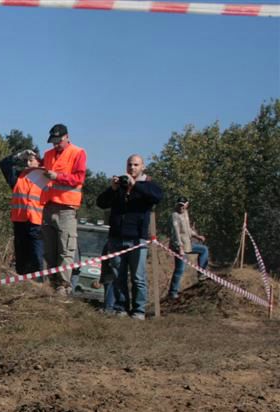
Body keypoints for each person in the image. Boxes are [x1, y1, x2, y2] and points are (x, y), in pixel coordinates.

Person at [96, 155, 162, 320]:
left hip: (136, 239)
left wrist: (136, 186)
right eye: (129, 165)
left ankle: (139, 310)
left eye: (136, 165)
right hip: (117, 237)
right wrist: (112, 188)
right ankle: (121, 307)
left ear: (142, 167)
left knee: (138, 276)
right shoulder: (120, 186)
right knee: (119, 275)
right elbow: (101, 202)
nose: (132, 168)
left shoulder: (148, 185)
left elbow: (157, 197)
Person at [40, 124, 87, 296]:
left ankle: (63, 286)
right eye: (53, 141)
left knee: (66, 250)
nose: (56, 144)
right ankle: (52, 286)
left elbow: (79, 178)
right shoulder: (47, 155)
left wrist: (58, 177)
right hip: (48, 207)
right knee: (50, 251)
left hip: (67, 209)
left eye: (58, 141)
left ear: (66, 137)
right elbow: (41, 171)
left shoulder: (78, 152)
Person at [0, 149, 45, 277]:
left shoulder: (45, 177)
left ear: (39, 162)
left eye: (31, 160)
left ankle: (39, 283)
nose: (28, 163)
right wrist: (19, 156)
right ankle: (22, 281)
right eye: (26, 160)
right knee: (21, 258)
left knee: (37, 257)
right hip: (20, 222)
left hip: (37, 224)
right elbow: (4, 164)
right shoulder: (18, 177)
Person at [167, 197, 209, 300]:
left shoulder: (185, 214)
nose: (181, 207)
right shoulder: (175, 216)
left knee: (204, 250)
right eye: (179, 205)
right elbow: (176, 233)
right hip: (178, 245)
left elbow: (188, 229)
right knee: (180, 269)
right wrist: (180, 247)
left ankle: (201, 274)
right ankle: (173, 292)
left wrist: (197, 236)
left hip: (188, 244)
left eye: (183, 205)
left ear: (187, 205)